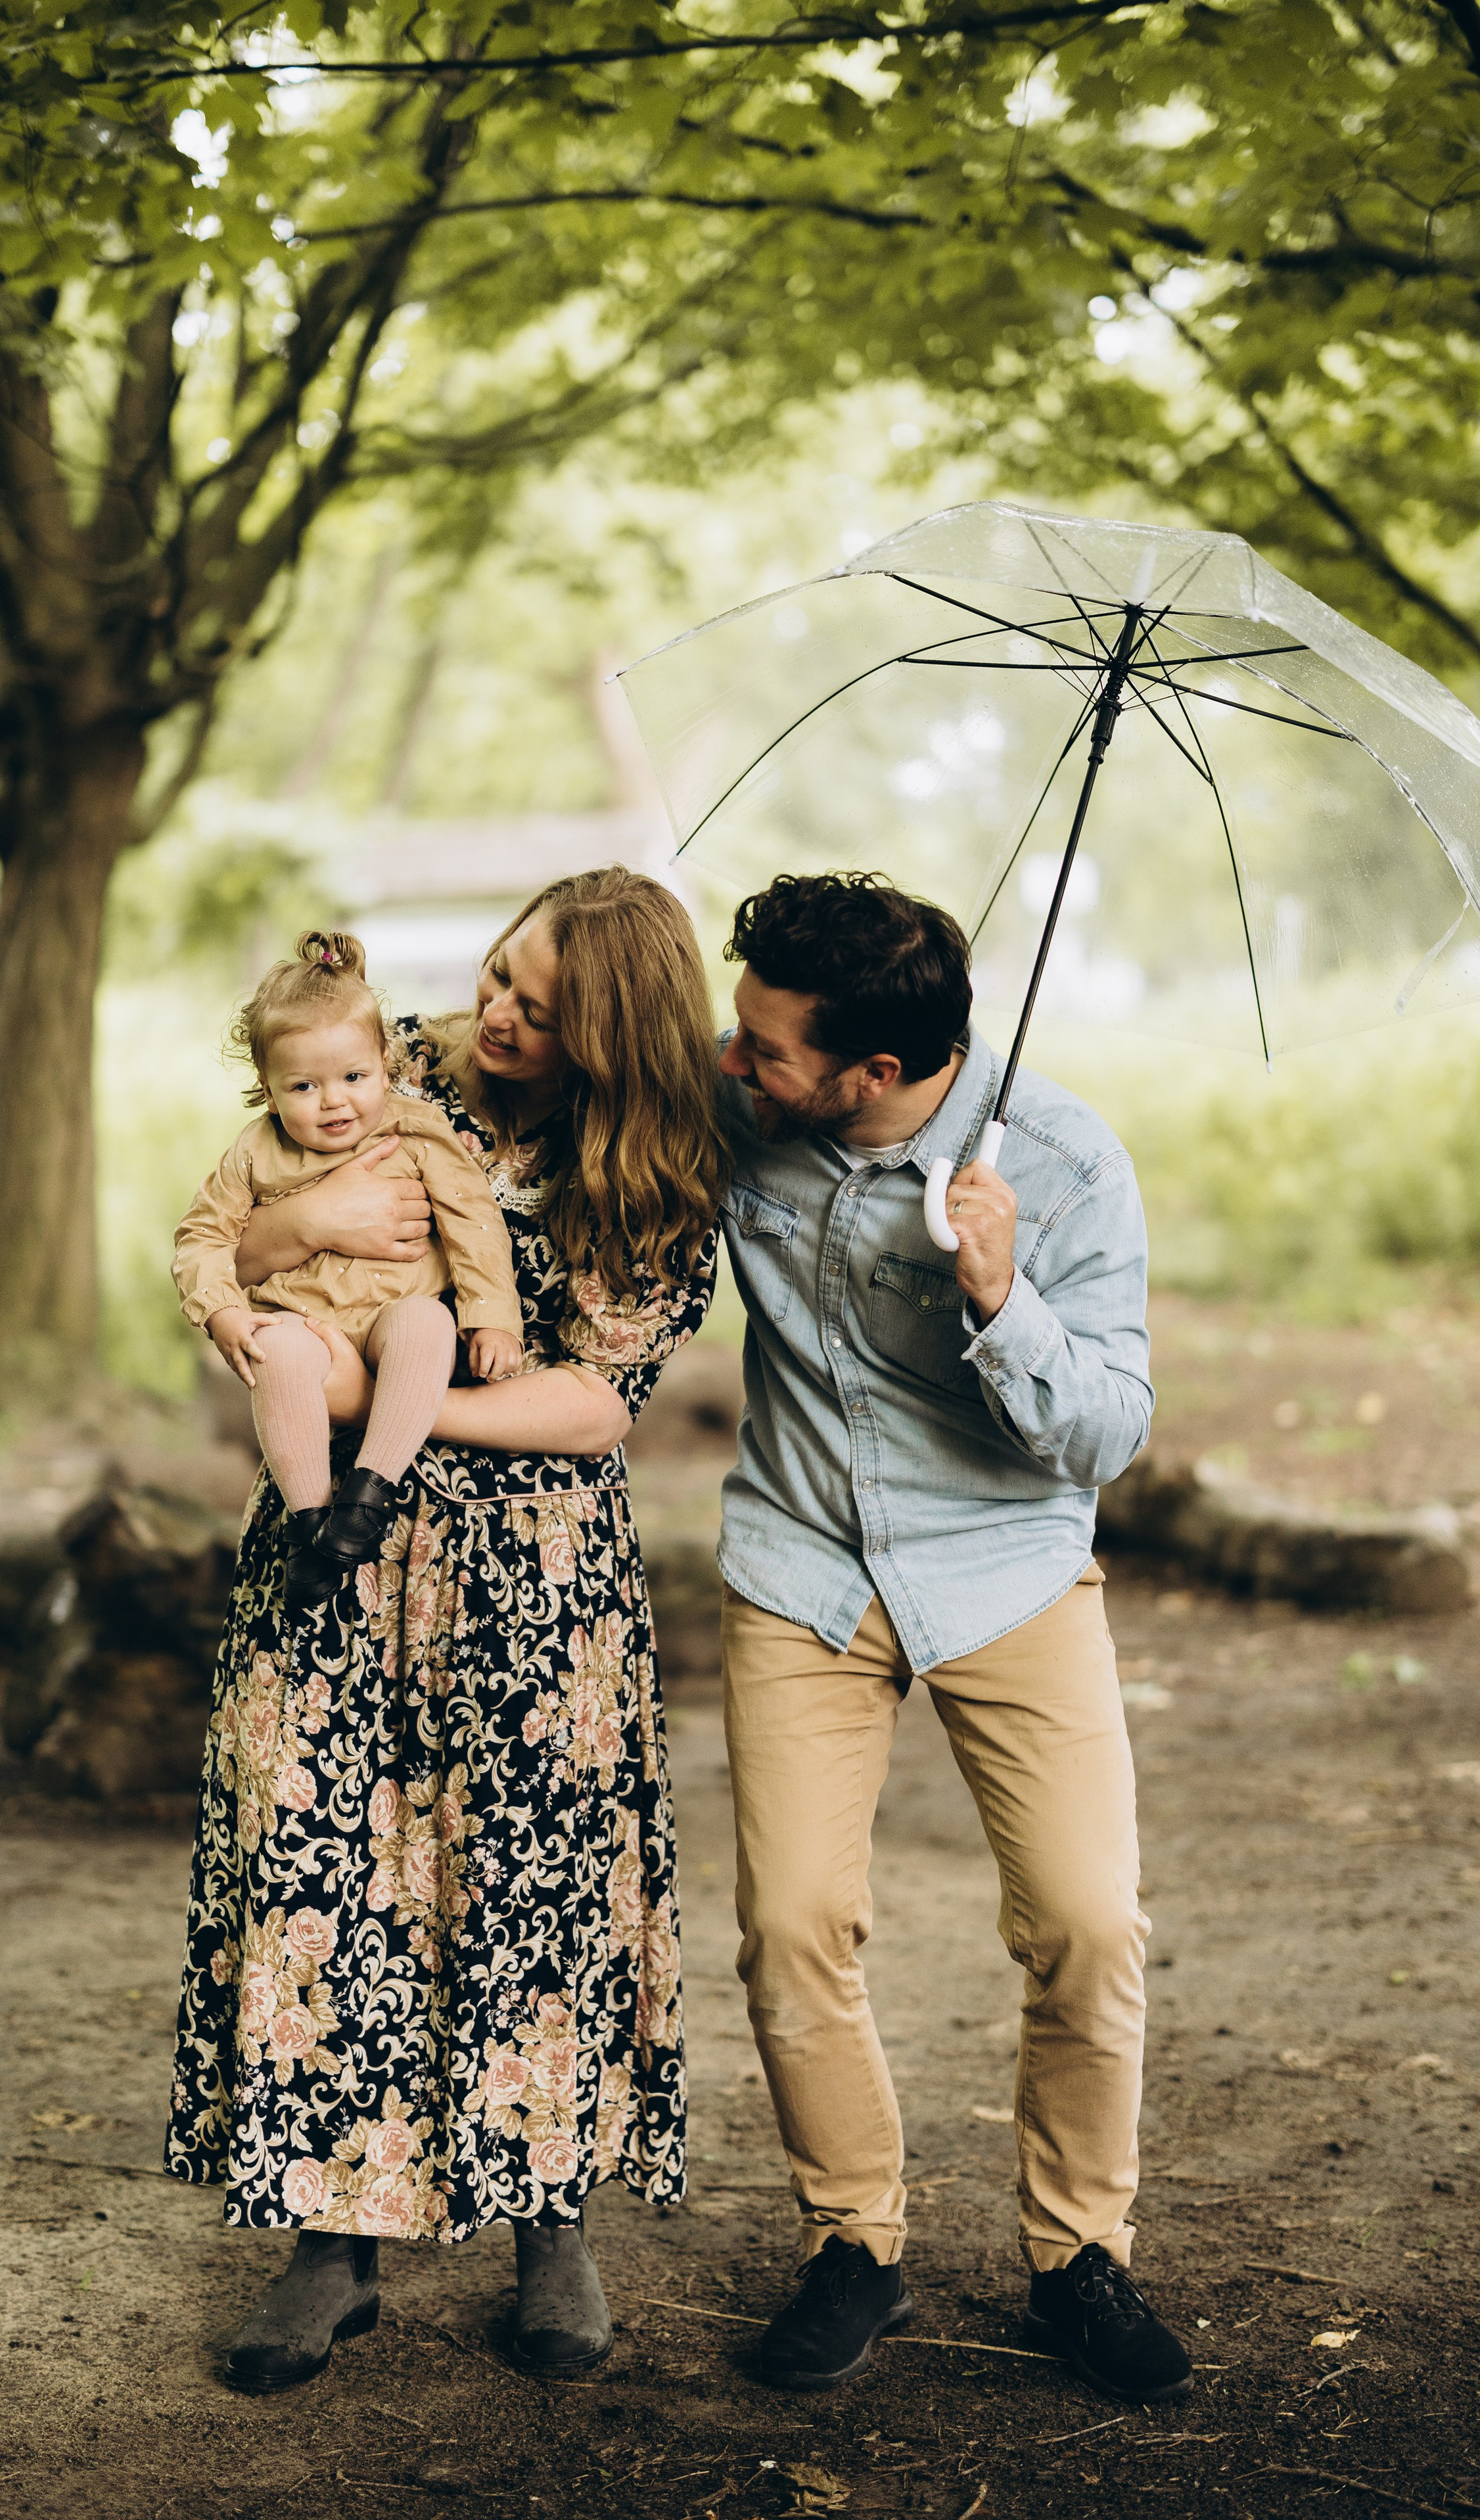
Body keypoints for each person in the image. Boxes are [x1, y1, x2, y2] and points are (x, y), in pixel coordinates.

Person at [164, 867, 725, 2392]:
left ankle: (548, 2219)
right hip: (332, 1548)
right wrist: (291, 1229)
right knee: (318, 1858)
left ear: (608, 1037)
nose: (494, 1013)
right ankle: (327, 2240)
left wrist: (393, 1408)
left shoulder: (652, 1170)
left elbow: (596, 1402)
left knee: (527, 1877)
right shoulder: (380, 1059)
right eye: (496, 973)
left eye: (537, 1009)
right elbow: (225, 1240)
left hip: (534, 1580)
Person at [713, 871, 1191, 2408]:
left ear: (873, 1069)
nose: (738, 1063)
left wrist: (999, 1293)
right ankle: (852, 2242)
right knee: (790, 1919)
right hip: (801, 1560)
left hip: (1004, 1566)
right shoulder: (744, 1120)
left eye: (771, 1051)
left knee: (1086, 1920)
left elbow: (1105, 1430)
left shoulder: (1058, 1161)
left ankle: (1076, 2256)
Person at [172, 928, 524, 1611]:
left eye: (353, 1078)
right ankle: (311, 1524)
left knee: (427, 1322)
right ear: (268, 1092)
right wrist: (221, 1309)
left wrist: (492, 1316)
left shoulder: (415, 1130)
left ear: (384, 1068)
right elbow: (203, 1235)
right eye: (304, 1086)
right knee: (274, 1351)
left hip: (394, 1317)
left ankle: (368, 1491)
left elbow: (472, 1220)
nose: (334, 1102)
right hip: (306, 1324)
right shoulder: (255, 1153)